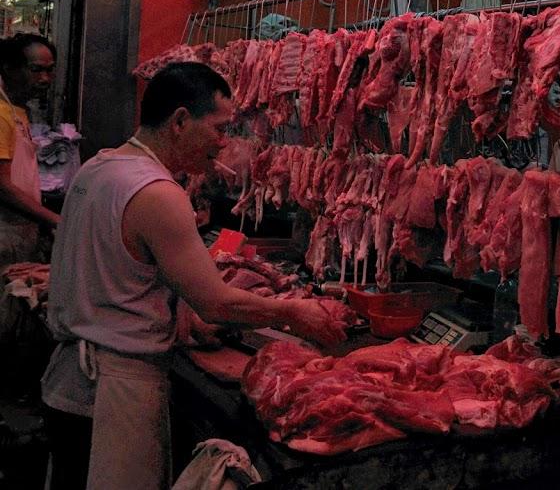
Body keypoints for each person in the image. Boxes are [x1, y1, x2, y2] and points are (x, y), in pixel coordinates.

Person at [41, 62, 348, 490]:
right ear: (181, 121)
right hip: (114, 391)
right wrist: (296, 312)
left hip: (68, 383)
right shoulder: (157, 193)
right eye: (219, 129)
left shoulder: (98, 168)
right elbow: (217, 302)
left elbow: (115, 271)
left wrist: (179, 316)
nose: (223, 144)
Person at [0, 33, 60, 269]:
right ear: (9, 69)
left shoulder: (17, 110)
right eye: (35, 70)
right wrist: (55, 220)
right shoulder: (1, 114)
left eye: (50, 70)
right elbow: (3, 188)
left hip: (19, 231)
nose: (45, 79)